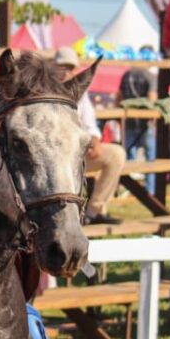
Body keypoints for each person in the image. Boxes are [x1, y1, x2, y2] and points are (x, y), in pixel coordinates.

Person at [55, 47, 127, 223]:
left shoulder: (81, 92)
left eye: (70, 68)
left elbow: (90, 123)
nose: (66, 72)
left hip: (77, 154)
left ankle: (94, 212)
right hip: (56, 157)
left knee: (116, 154)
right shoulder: (45, 92)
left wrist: (95, 139)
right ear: (53, 69)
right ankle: (67, 217)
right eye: (61, 67)